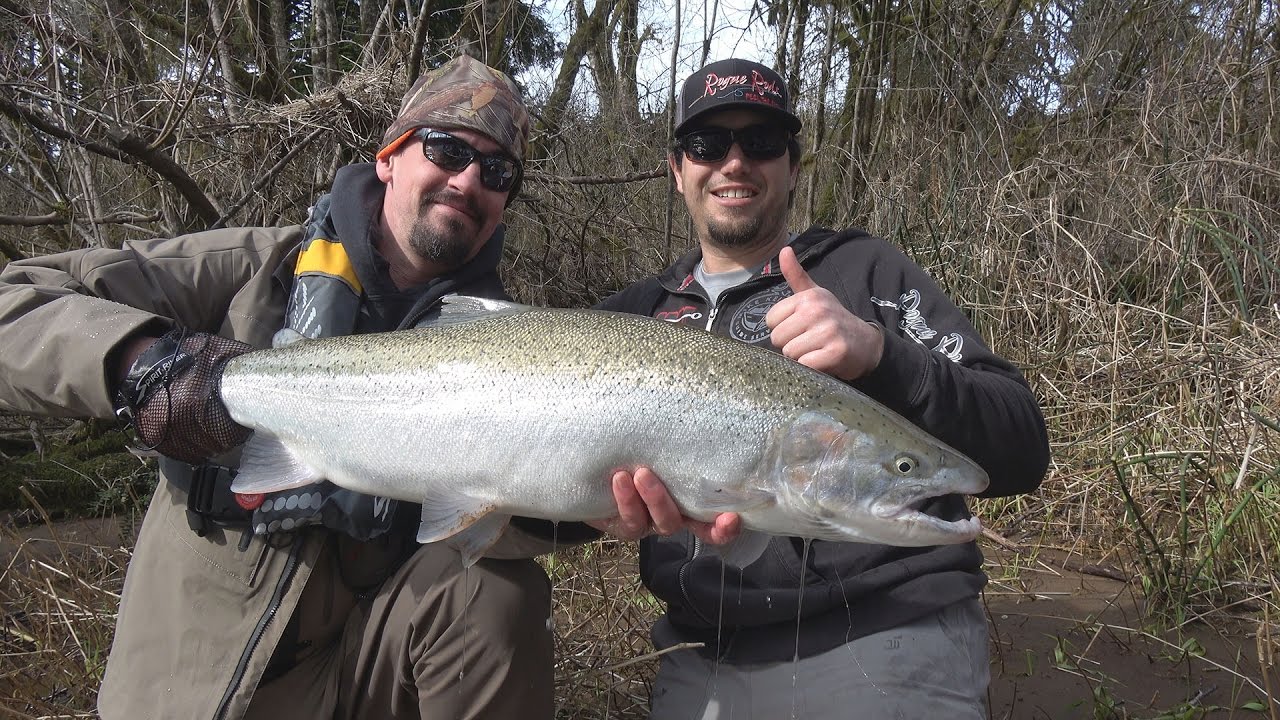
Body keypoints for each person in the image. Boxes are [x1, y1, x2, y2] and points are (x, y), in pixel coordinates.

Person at [0, 54, 718, 720]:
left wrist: (586, 510)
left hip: (358, 675)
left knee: (498, 594)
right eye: (447, 149)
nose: (469, 180)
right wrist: (140, 363)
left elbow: (470, 527)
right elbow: (15, 301)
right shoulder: (253, 269)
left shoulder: (507, 346)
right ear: (389, 157)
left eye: (498, 173)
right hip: (191, 679)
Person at [597, 58, 1051, 718]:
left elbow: (1021, 443)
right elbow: (529, 495)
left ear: (792, 163)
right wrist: (585, 513)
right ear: (677, 169)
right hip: (704, 652)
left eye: (761, 142)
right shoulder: (634, 316)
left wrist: (880, 355)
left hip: (885, 631)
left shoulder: (865, 271)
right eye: (706, 144)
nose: (734, 163)